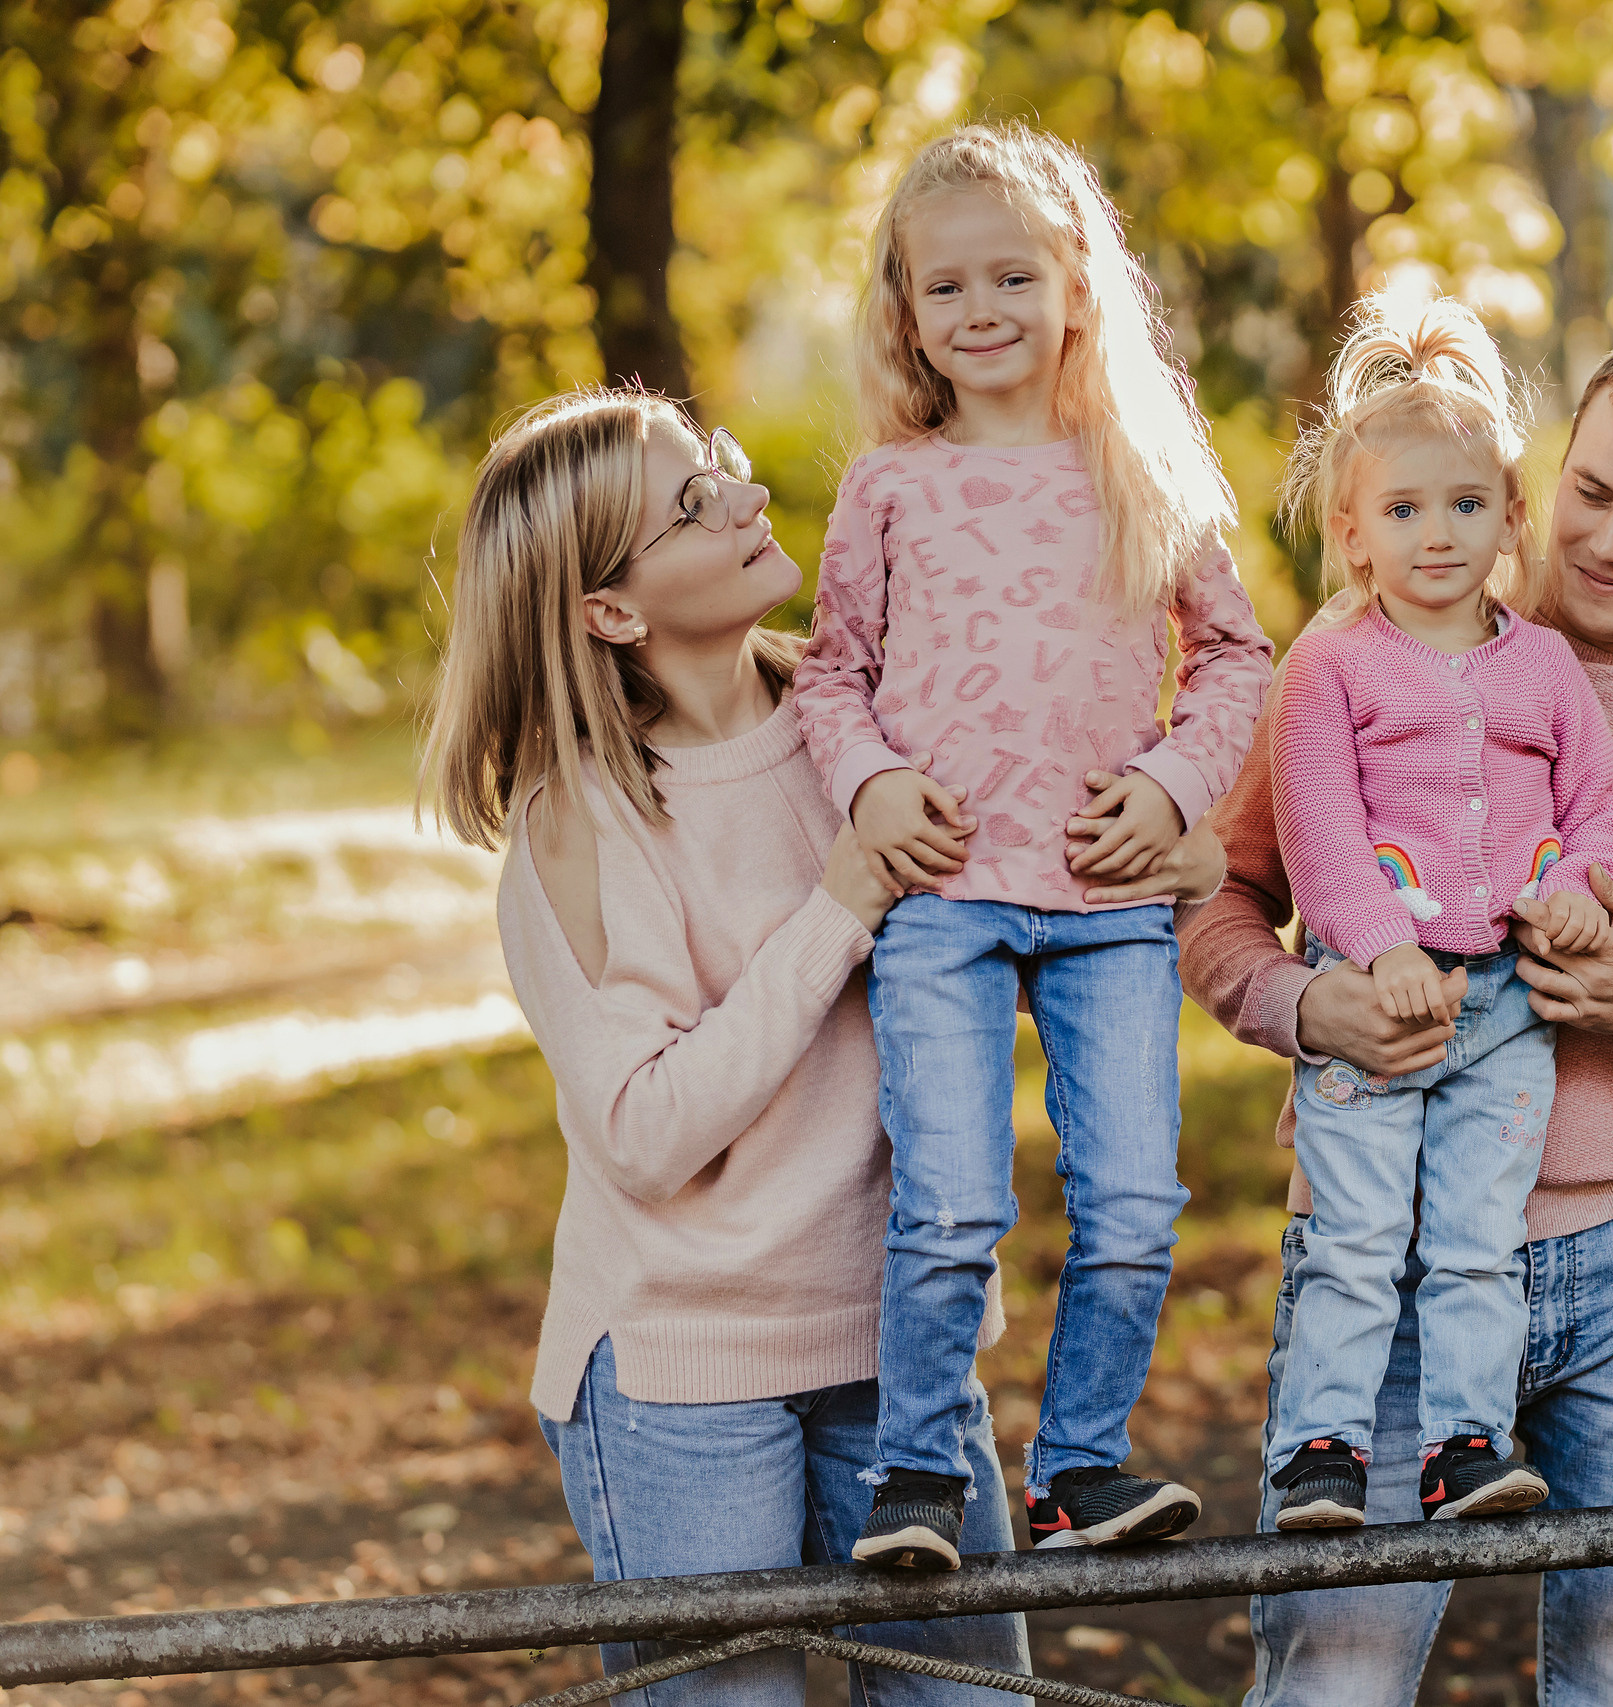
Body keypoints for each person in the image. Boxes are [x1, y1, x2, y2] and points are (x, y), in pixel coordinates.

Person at [421, 388, 1228, 1702]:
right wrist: (842, 904)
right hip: (686, 1374)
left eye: (727, 470)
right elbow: (643, 1130)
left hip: (903, 1354)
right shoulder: (579, 823)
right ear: (609, 610)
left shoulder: (875, 724)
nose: (746, 499)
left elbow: (1024, 946)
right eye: (692, 503)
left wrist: (1171, 859)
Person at [1181, 327, 1613, 1706]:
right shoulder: (1362, 658)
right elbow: (1218, 907)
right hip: (1386, 1257)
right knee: (1336, 1673)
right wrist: (1311, 1002)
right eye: (1590, 492)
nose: (1608, 542)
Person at [795, 122, 1275, 1570]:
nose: (983, 309)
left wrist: (1177, 785)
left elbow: (1239, 656)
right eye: (949, 287)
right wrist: (872, 783)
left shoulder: (1137, 467)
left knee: (1133, 1204)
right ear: (907, 311)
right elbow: (830, 674)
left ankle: (1077, 1466)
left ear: (1077, 285)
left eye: (1014, 275)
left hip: (1110, 895)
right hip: (943, 895)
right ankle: (920, 1472)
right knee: (949, 1206)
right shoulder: (889, 485)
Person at [1260, 290, 1613, 1533]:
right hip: (1381, 1008)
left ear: (1510, 518)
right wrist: (1380, 950)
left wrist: (1572, 895)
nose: (1437, 534)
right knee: (1356, 1242)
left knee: (1477, 1241)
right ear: (1353, 535)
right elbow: (1316, 832)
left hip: (1508, 1014)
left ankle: (1465, 1443)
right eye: (1404, 512)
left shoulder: (1544, 668)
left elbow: (1597, 808)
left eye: (1466, 505)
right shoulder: (1330, 667)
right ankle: (1321, 1448)